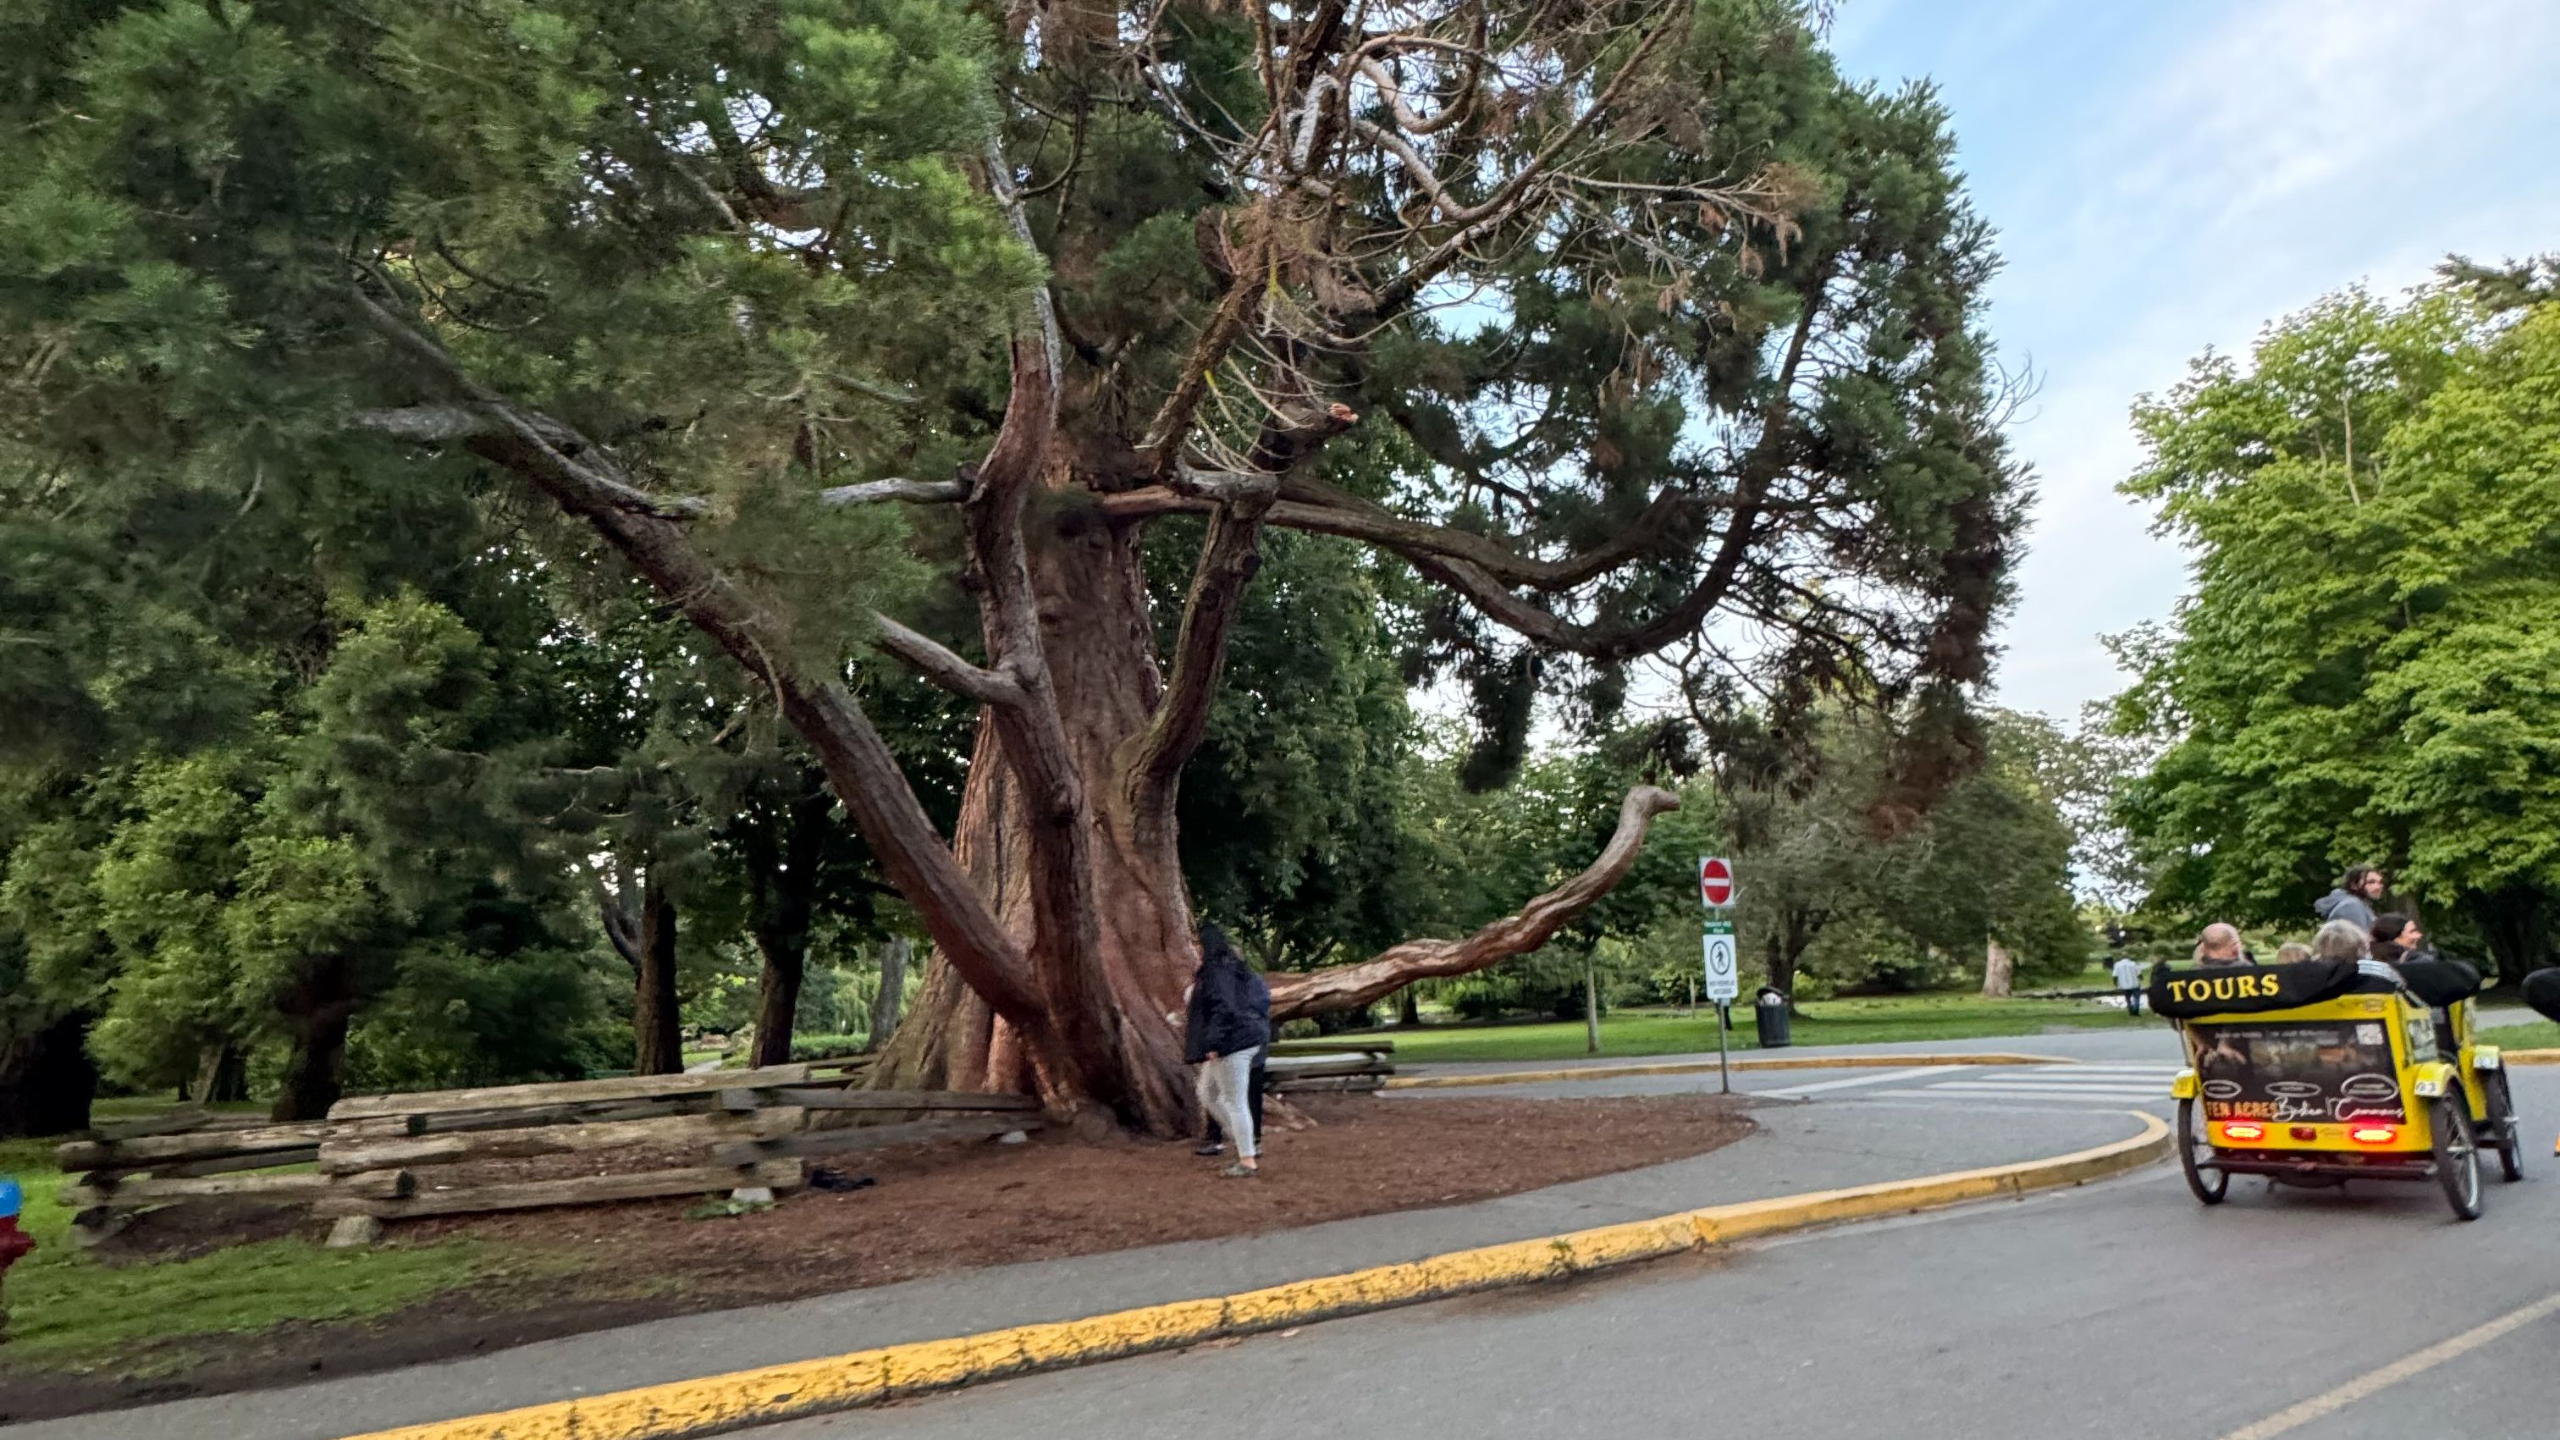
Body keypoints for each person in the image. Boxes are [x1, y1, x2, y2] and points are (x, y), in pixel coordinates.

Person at [1184, 923, 1270, 1178]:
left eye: (1198, 943)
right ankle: (1245, 1143)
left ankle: (1247, 1159)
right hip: (1244, 1038)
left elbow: (1224, 1009)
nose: (1195, 948)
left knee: (1235, 1102)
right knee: (1207, 1093)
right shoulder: (1237, 970)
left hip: (1232, 1044)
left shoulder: (1216, 972)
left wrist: (1213, 1043)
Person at [2314, 866, 2387, 933]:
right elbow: (2356, 942)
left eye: (2380, 882)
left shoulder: (2360, 904)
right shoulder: (2351, 906)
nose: (2379, 887)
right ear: (2354, 885)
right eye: (2371, 882)